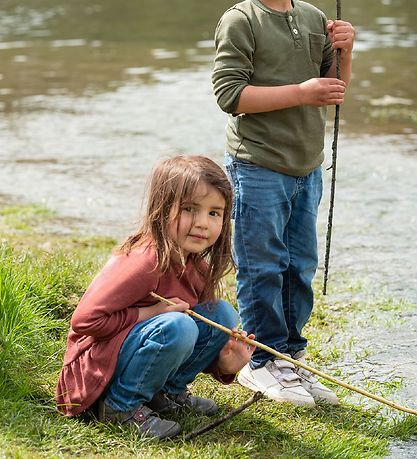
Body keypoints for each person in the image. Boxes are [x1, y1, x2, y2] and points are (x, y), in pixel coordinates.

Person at [212, 0, 355, 406]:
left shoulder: (312, 17)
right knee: (263, 265)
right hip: (257, 163)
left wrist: (346, 51)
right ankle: (260, 360)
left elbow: (333, 89)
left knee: (299, 264)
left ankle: (290, 356)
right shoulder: (241, 20)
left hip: (306, 165)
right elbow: (230, 94)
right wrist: (300, 93)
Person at [56, 155, 255, 440]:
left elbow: (195, 339)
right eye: (189, 209)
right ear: (162, 210)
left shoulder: (195, 265)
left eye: (214, 213)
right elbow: (85, 321)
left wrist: (223, 366)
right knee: (178, 325)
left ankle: (166, 394)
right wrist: (151, 313)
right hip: (93, 371)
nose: (202, 223)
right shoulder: (145, 261)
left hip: (134, 353)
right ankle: (120, 406)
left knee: (221, 314)